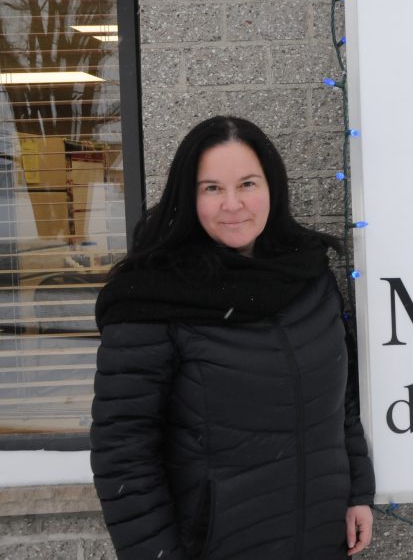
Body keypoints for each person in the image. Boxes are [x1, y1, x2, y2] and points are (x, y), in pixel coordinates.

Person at [90, 116, 375, 559]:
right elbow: (123, 454)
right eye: (212, 188)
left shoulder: (308, 275)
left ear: (272, 187)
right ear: (188, 198)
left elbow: (342, 400)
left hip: (322, 538)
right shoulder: (151, 299)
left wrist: (357, 490)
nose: (232, 204)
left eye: (247, 184)